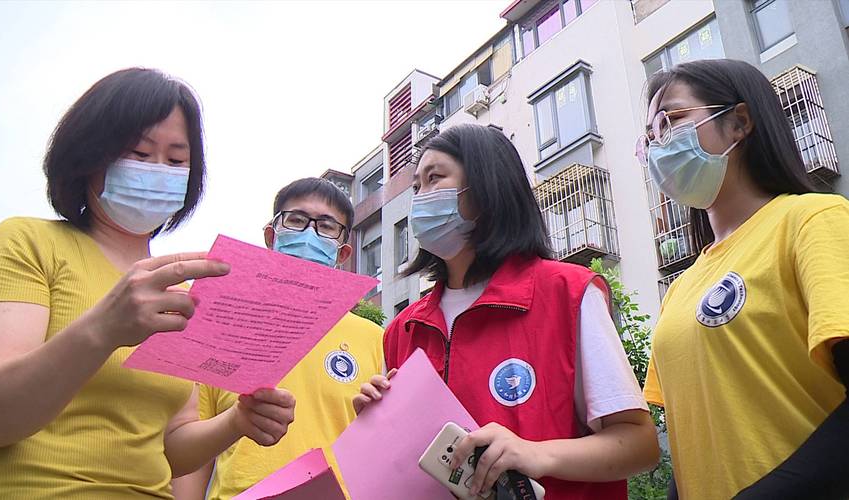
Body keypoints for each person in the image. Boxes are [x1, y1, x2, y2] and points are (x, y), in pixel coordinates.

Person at [0, 68, 295, 499]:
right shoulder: (25, 242)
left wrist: (236, 423)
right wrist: (102, 330)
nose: (159, 171)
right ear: (87, 156)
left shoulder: (178, 295)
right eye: (139, 153)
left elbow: (171, 447)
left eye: (177, 160)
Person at [354, 124, 659, 499]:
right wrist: (377, 426)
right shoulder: (403, 329)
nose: (420, 199)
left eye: (434, 178)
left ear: (486, 188)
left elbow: (640, 444)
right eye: (416, 186)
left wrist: (535, 454)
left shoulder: (569, 293)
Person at [637, 58, 849, 499]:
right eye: (650, 137)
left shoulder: (812, 220)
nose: (660, 146)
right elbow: (693, 442)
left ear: (739, 123)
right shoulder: (679, 289)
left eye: (671, 120)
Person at [176, 178, 384, 500]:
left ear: (343, 252)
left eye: (327, 227)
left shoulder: (374, 339)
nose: (309, 235)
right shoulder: (221, 325)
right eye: (297, 221)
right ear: (272, 235)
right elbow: (190, 453)